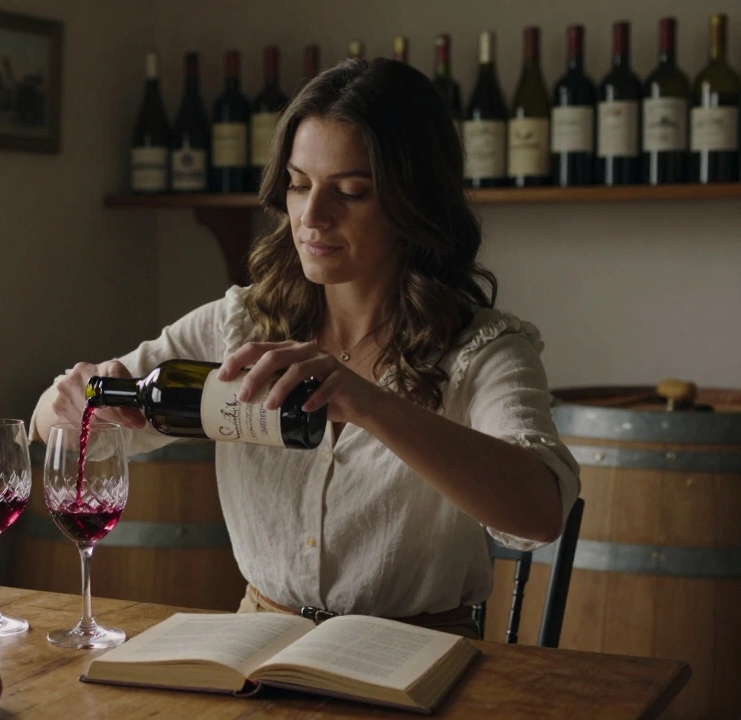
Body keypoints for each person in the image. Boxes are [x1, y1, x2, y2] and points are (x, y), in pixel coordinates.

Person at [30, 59, 579, 638]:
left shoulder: (484, 350)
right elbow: (48, 419)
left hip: (416, 657)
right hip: (258, 645)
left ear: (414, 202)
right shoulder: (237, 326)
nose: (312, 217)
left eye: (350, 191)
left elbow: (539, 514)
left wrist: (374, 406)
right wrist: (70, 399)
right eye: (298, 185)